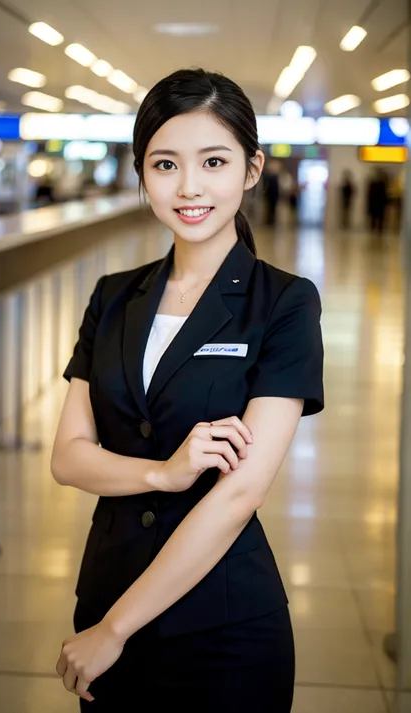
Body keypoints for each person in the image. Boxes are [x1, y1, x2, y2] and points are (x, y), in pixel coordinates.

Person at [51, 68, 324, 712]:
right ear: (142, 174)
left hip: (220, 626)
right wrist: (164, 474)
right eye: (166, 163)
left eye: (214, 161)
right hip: (107, 592)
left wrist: (116, 630)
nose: (190, 186)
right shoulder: (113, 295)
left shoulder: (284, 303)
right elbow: (68, 457)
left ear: (251, 170)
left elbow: (240, 492)